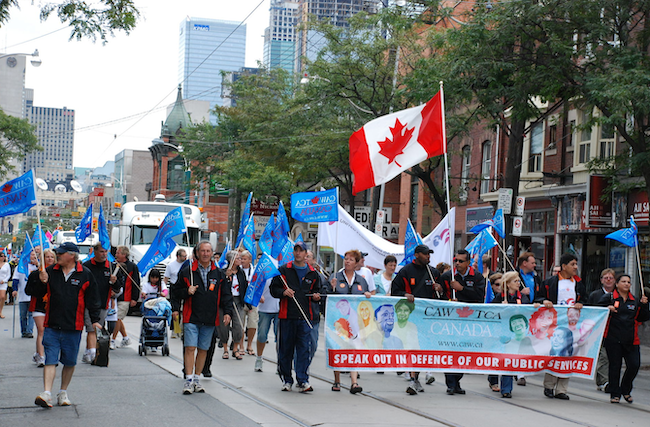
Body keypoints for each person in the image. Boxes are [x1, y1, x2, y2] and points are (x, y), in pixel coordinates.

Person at [34, 242, 101, 408]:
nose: (58, 256)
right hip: (51, 324)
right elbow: (33, 292)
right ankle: (46, 393)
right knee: (50, 358)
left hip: (74, 326)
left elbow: (93, 299)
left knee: (70, 362)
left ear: (72, 255)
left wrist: (95, 319)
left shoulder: (85, 274)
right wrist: (40, 280)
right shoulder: (49, 272)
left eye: (61, 253)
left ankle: (63, 392)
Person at [173, 241, 233, 395]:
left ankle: (197, 378)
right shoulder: (187, 271)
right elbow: (175, 291)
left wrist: (228, 312)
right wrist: (187, 291)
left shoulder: (219, 274)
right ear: (197, 253)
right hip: (191, 316)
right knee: (190, 347)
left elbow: (226, 295)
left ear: (212, 253)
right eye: (203, 251)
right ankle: (189, 379)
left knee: (203, 349)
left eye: (208, 251)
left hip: (210, 317)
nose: (206, 254)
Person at [270, 241, 321, 393]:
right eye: (296, 250)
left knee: (304, 349)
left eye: (301, 250)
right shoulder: (284, 270)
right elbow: (274, 289)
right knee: (286, 349)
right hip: (287, 316)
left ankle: (303, 379)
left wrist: (317, 297)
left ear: (306, 254)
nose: (298, 253)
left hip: (305, 317)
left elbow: (317, 292)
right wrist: (283, 293)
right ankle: (286, 379)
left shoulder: (313, 273)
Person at [392, 244, 442, 394]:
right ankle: (413, 378)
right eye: (426, 254)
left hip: (427, 318)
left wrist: (439, 289)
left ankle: (417, 376)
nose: (428, 257)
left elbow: (442, 296)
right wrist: (404, 295)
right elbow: (395, 291)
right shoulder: (406, 271)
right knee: (413, 346)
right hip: (410, 317)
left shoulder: (433, 272)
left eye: (429, 254)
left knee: (423, 348)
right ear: (417, 255)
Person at [534, 252, 586, 400]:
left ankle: (562, 389)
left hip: (572, 326)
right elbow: (538, 296)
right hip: (555, 325)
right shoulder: (550, 282)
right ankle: (549, 385)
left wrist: (581, 303)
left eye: (576, 264)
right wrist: (544, 301)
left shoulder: (578, 283)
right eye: (572, 264)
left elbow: (585, 299)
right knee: (554, 353)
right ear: (564, 266)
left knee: (568, 354)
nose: (575, 267)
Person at [438, 248, 486, 396]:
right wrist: (447, 299)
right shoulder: (447, 276)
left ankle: (457, 380)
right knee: (451, 350)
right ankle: (451, 384)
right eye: (455, 261)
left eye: (460, 261)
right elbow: (439, 297)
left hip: (469, 321)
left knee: (465, 352)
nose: (457, 263)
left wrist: (462, 289)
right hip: (451, 320)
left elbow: (479, 296)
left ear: (468, 262)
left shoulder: (477, 277)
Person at [598, 274, 649, 404]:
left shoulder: (635, 300)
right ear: (617, 284)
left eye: (629, 282)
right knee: (615, 366)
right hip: (613, 338)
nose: (627, 284)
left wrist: (644, 306)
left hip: (631, 339)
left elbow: (642, 318)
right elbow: (597, 311)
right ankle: (615, 393)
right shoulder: (609, 298)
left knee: (634, 365)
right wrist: (607, 309)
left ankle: (625, 389)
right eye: (624, 281)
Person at [328, 249, 370, 394]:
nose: (347, 261)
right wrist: (330, 287)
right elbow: (326, 296)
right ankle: (337, 380)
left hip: (355, 323)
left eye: (351, 260)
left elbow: (368, 299)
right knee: (338, 348)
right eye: (346, 259)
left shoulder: (362, 281)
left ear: (357, 263)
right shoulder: (335, 277)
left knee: (354, 349)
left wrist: (368, 295)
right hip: (337, 321)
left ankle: (354, 382)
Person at [491, 271, 530, 397]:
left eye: (519, 281)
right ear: (507, 284)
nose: (518, 283)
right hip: (503, 334)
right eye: (515, 281)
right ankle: (498, 383)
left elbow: (527, 310)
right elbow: (490, 311)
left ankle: (506, 388)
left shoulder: (522, 297)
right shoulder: (500, 297)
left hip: (516, 334)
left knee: (510, 360)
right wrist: (501, 308)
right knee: (501, 358)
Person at [82, 243, 120, 363]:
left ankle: (89, 351)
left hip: (103, 302)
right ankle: (93, 353)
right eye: (101, 252)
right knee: (91, 328)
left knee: (97, 328)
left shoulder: (111, 267)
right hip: (88, 302)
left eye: (106, 252)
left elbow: (118, 288)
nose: (104, 254)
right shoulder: (87, 266)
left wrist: (115, 282)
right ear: (95, 252)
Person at [25, 249, 57, 367]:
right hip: (39, 306)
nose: (49, 259)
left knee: (52, 332)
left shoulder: (57, 274)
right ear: (42, 259)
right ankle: (41, 357)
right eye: (47, 257)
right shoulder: (34, 274)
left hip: (53, 307)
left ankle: (43, 354)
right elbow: (28, 291)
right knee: (41, 330)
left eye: (51, 257)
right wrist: (41, 282)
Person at [586, 268, 616, 392]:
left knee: (609, 357)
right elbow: (590, 311)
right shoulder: (595, 295)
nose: (608, 280)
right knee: (602, 356)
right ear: (601, 280)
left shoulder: (618, 295)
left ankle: (601, 381)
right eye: (606, 278)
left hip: (614, 331)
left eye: (611, 278)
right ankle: (604, 381)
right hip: (599, 330)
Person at [218, 250, 247, 360]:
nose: (240, 260)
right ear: (231, 260)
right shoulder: (222, 272)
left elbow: (244, 286)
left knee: (238, 326)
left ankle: (235, 348)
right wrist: (225, 277)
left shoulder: (241, 273)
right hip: (225, 301)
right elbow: (219, 286)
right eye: (238, 258)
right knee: (224, 325)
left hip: (238, 301)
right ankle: (225, 348)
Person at [112, 246, 140, 348]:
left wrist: (134, 298)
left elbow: (136, 282)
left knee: (117, 318)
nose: (116, 255)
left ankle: (113, 339)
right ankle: (125, 338)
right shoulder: (114, 265)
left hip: (126, 297)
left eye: (118, 253)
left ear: (124, 254)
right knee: (117, 319)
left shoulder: (132, 266)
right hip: (114, 297)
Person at [254, 278, 279, 372]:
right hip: (265, 308)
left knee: (280, 337)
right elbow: (254, 284)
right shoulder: (264, 265)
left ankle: (280, 362)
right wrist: (258, 295)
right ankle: (259, 358)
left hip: (280, 308)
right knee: (262, 335)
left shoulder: (285, 264)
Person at [13, 252, 39, 338]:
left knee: (31, 314)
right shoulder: (20, 267)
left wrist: (38, 265)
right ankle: (24, 331)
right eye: (32, 255)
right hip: (23, 295)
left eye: (35, 255)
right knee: (23, 315)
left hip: (33, 295)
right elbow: (15, 279)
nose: (34, 256)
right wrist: (15, 290)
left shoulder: (38, 267)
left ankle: (29, 331)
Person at [165, 249, 187, 339]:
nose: (185, 258)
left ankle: (183, 330)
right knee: (175, 310)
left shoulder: (187, 265)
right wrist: (163, 290)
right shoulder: (171, 266)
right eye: (183, 256)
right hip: (174, 287)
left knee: (184, 309)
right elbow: (166, 279)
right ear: (178, 256)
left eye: (186, 256)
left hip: (184, 287)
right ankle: (175, 330)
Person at [239, 250, 257, 355]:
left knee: (252, 324)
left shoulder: (254, 271)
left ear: (250, 260)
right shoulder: (238, 270)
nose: (242, 261)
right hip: (241, 300)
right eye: (241, 259)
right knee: (240, 324)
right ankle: (241, 345)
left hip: (252, 301)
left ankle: (249, 344)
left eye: (244, 259)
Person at [0, 251, 10, 319]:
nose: (3, 257)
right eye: (1, 256)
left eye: (4, 256)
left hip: (3, 283)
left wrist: (5, 280)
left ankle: (0, 311)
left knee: (2, 297)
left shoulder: (6, 264)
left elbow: (8, 274)